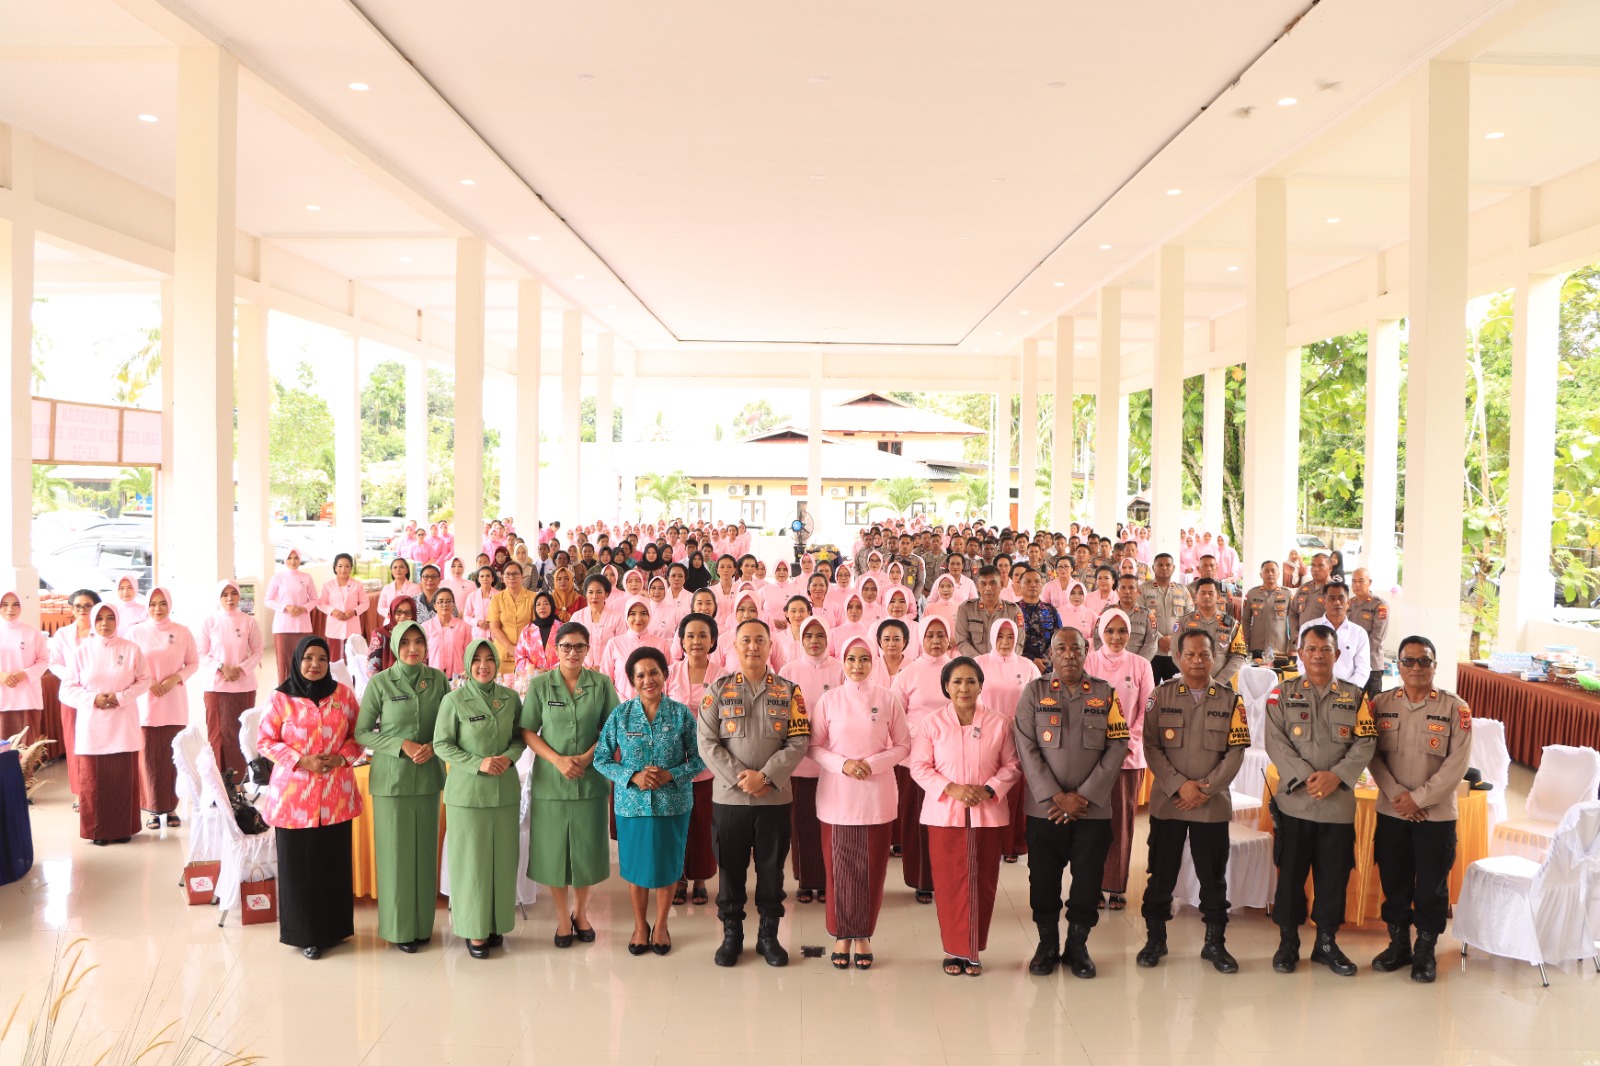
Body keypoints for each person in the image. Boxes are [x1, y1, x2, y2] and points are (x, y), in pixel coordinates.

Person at [1013, 628, 1130, 978]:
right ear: (1051, 653)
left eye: (1075, 648)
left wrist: (1085, 796)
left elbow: (1118, 746)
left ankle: (1077, 947)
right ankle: (1046, 944)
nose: (1068, 655)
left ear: (1086, 651)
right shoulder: (1034, 692)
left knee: (1088, 881)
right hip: (1044, 808)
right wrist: (1056, 796)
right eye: (1060, 648)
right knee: (1043, 880)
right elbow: (1025, 746)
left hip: (1091, 810)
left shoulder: (1105, 694)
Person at [695, 618, 811, 968]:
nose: (753, 646)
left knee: (772, 867)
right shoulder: (717, 690)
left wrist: (766, 777)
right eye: (746, 640)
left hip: (774, 798)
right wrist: (740, 778)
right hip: (730, 799)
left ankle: (768, 935)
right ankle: (732, 936)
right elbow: (706, 741)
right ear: (735, 645)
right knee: (730, 868)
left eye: (760, 640)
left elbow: (799, 739)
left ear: (770, 646)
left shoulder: (790, 691)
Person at [1265, 624, 1377, 975]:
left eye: (1325, 649)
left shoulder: (1355, 697)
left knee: (1333, 878)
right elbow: (1275, 741)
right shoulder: (1281, 694)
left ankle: (1326, 944)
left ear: (1337, 654)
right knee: (1290, 879)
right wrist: (1305, 777)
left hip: (1337, 805)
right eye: (1311, 649)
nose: (1317, 655)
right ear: (1300, 653)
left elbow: (1366, 742)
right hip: (1295, 804)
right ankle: (1288, 943)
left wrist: (1337, 777)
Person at [1136, 630, 1250, 972]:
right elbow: (1151, 745)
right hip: (1169, 803)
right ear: (1178, 658)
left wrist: (1206, 788)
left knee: (1213, 877)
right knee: (1161, 874)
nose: (1198, 661)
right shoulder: (1161, 696)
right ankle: (1156, 939)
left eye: (1204, 655)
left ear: (1214, 657)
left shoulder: (1231, 700)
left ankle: (1215, 943)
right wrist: (1178, 786)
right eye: (1190, 655)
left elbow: (1236, 750)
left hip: (1210, 805)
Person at [908, 656, 1022, 977]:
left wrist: (989, 789)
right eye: (957, 682)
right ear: (946, 686)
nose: (964, 688)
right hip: (945, 815)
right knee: (949, 884)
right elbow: (919, 767)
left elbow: (1012, 765)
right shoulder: (931, 724)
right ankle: (952, 950)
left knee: (981, 883)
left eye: (970, 681)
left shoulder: (999, 723)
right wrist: (951, 789)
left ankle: (972, 950)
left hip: (987, 814)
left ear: (981, 686)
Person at [1367, 636, 1471, 983]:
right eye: (1408, 661)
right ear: (1397, 665)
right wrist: (1399, 795)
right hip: (1392, 810)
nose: (1415, 667)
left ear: (1434, 666)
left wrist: (1419, 799)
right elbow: (1371, 753)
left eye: (1423, 661)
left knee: (1431, 885)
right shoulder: (1379, 704)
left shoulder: (1455, 709)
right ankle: (1399, 945)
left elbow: (1457, 764)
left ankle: (1425, 950)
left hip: (1435, 815)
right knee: (1394, 880)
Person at [595, 646, 706, 957]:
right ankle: (640, 925)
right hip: (632, 806)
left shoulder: (682, 714)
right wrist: (632, 776)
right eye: (640, 675)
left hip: (673, 803)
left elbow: (699, 760)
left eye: (654, 673)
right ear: (632, 680)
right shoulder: (621, 714)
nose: (648, 680)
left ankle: (660, 925)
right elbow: (601, 759)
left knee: (669, 866)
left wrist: (671, 775)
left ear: (665, 675)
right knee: (635, 868)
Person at [258, 635, 364, 959]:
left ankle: (334, 929)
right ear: (297, 661)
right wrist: (301, 760)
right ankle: (305, 933)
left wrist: (341, 757)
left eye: (321, 659)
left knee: (332, 863)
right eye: (308, 659)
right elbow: (264, 740)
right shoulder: (280, 699)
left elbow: (357, 736)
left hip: (335, 796)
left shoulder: (343, 696)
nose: (314, 665)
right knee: (300, 867)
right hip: (294, 798)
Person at [809, 635, 911, 969]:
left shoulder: (888, 698)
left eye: (864, 659)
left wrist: (873, 764)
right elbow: (814, 747)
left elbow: (903, 746)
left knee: (872, 868)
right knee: (839, 869)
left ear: (873, 662)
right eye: (851, 659)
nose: (857, 666)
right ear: (844, 662)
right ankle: (842, 934)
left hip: (876, 795)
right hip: (838, 797)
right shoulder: (829, 701)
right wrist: (843, 765)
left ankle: (864, 935)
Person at [521, 621, 619, 948]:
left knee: (586, 852)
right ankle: (563, 918)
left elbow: (612, 728)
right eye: (566, 647)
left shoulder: (602, 684)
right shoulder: (540, 685)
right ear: (556, 650)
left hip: (591, 781)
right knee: (554, 853)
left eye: (579, 647)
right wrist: (558, 760)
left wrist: (589, 756)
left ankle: (582, 913)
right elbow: (528, 731)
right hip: (551, 781)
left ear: (588, 649)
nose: (572, 653)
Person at [356, 621, 447, 952]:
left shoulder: (438, 679)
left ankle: (422, 926)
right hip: (391, 780)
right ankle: (398, 929)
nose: (413, 648)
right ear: (394, 646)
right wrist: (401, 745)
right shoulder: (380, 682)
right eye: (405, 642)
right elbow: (363, 732)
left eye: (418, 642)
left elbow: (451, 723)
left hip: (428, 777)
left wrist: (435, 746)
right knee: (396, 856)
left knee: (424, 854)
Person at [433, 638, 526, 958]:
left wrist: (509, 758)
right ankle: (474, 931)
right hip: (467, 794)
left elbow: (520, 738)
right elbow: (441, 745)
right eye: (477, 660)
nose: (483, 666)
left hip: (503, 792)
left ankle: (496, 923)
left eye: (489, 659)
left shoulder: (510, 697)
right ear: (468, 664)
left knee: (501, 860)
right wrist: (478, 763)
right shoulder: (454, 699)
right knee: (471, 864)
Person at [61, 604, 152, 844]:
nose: (104, 623)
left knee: (122, 779)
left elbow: (145, 680)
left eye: (110, 618)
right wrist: (93, 699)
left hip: (123, 724)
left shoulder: (131, 649)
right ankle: (98, 831)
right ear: (92, 621)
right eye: (99, 618)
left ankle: (123, 829)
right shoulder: (81, 652)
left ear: (117, 620)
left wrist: (120, 697)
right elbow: (66, 689)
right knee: (95, 782)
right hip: (92, 726)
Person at [1084, 608, 1155, 911]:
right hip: (1093, 758)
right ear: (1101, 632)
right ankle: (1091, 884)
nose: (1116, 637)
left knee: (1122, 822)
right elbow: (1082, 706)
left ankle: (1115, 885)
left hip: (1128, 755)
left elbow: (1147, 708)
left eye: (1122, 631)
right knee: (1092, 823)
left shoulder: (1140, 664)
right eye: (1110, 631)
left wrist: (1127, 742)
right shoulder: (1089, 662)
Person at [778, 615, 844, 905]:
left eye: (820, 635)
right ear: (801, 639)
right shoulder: (789, 670)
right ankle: (806, 880)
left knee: (832, 823)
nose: (814, 641)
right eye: (808, 636)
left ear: (828, 639)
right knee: (802, 820)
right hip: (800, 757)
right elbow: (780, 713)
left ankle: (830, 879)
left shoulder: (841, 669)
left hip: (834, 758)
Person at [890, 616, 954, 903]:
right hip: (915, 760)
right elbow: (895, 717)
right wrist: (924, 732)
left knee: (946, 822)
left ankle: (947, 877)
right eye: (930, 635)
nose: (936, 641)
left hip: (950, 758)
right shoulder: (908, 673)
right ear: (921, 639)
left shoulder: (957, 669)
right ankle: (921, 880)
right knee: (917, 821)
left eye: (941, 635)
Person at [126, 587, 197, 830]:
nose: (157, 608)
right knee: (148, 758)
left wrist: (174, 679)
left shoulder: (181, 632)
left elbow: (193, 663)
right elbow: (129, 666)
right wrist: (149, 682)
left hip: (174, 701)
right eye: (153, 604)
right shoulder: (135, 632)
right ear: (146, 606)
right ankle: (153, 809)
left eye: (162, 603)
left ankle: (172, 807)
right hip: (145, 703)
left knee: (173, 756)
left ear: (170, 604)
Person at [974, 618, 1039, 863]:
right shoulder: (979, 663)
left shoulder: (1028, 666)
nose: (1004, 642)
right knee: (989, 787)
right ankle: (989, 841)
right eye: (1000, 636)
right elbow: (968, 698)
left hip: (1019, 736)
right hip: (986, 735)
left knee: (1015, 791)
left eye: (1009, 636)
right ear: (992, 637)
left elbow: (1037, 701)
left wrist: (1020, 722)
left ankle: (1013, 844)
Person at [666, 613, 720, 906]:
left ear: (712, 640)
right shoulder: (670, 674)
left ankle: (699, 878)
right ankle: (678, 877)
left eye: (703, 635)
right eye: (690, 635)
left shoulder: (723, 675)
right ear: (682, 640)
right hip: (674, 762)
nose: (696, 641)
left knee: (703, 821)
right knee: (677, 821)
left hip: (710, 763)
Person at [196, 581, 263, 780]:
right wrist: (221, 666)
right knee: (217, 735)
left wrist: (240, 669)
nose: (230, 598)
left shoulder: (248, 621)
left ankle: (239, 780)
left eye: (233, 594)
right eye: (225, 594)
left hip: (243, 686)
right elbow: (201, 653)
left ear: (239, 596)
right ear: (218, 597)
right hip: (216, 686)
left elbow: (258, 651)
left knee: (240, 733)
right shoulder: (210, 621)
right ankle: (218, 780)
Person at [1297, 581, 1370, 687]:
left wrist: (1345, 691)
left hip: (1346, 695)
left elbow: (1362, 669)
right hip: (1313, 690)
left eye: (1341, 598)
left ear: (1348, 603)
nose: (1337, 602)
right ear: (1324, 602)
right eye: (1332, 598)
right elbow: (1301, 663)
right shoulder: (1308, 628)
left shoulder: (1359, 633)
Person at [1175, 578, 1248, 684]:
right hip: (1190, 683)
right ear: (1196, 595)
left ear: (1218, 597)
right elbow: (1175, 652)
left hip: (1222, 684)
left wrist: (1219, 681)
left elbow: (1238, 656)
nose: (1206, 596)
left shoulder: (1232, 624)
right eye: (1203, 593)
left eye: (1210, 593)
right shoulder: (1183, 622)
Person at [0, 590, 49, 744]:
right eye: (5, 604)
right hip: (2, 699)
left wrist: (25, 674)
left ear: (21, 607)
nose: (10, 609)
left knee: (26, 751)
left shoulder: (32, 633)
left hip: (27, 698)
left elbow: (44, 660)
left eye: (15, 604)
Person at [265, 549, 318, 684]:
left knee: (304, 659)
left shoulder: (306, 578)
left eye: (296, 558)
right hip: (282, 627)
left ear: (300, 560)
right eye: (289, 558)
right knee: (284, 663)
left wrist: (304, 608)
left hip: (302, 626)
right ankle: (284, 692)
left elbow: (314, 599)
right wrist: (286, 607)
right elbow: (268, 600)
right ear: (285, 560)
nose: (293, 561)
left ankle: (304, 689)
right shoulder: (278, 577)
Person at [1139, 554, 1193, 684]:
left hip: (1176, 653)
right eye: (1160, 565)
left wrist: (1174, 639)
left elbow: (1190, 620)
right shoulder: (1143, 590)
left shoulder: (1183, 591)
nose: (1164, 568)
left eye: (1168, 565)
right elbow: (1140, 617)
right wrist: (1159, 638)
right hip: (1151, 652)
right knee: (1150, 692)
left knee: (1177, 692)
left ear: (1173, 568)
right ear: (1153, 567)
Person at [954, 567, 1022, 657]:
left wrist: (1004, 660)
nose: (988, 588)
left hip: (1004, 666)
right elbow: (962, 641)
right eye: (983, 584)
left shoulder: (1013, 610)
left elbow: (1019, 642)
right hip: (975, 665)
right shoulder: (966, 608)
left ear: (1001, 584)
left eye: (993, 583)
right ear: (978, 586)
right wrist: (980, 662)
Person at [317, 553, 369, 663]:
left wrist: (354, 611)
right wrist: (333, 611)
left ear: (351, 568)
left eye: (347, 566)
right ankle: (335, 680)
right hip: (334, 627)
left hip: (352, 626)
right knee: (334, 659)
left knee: (353, 659)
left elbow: (365, 603)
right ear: (335, 567)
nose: (343, 569)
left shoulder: (357, 585)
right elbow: (321, 603)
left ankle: (352, 680)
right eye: (340, 566)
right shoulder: (328, 585)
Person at [1349, 568, 1390, 698]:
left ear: (1369, 582)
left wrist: (1358, 655)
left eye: (1361, 581)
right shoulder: (1349, 603)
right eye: (1354, 581)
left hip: (1371, 665)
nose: (1357, 585)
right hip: (1350, 664)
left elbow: (1377, 637)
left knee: (1372, 706)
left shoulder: (1379, 605)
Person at [487, 561, 536, 667]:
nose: (511, 577)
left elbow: (535, 627)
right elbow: (494, 627)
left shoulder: (533, 597)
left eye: (515, 574)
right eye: (508, 574)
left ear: (522, 576)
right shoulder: (496, 599)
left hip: (527, 653)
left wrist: (521, 648)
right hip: (503, 653)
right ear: (502, 577)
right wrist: (510, 647)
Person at [1243, 560, 1293, 663]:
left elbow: (1293, 621)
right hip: (1256, 646)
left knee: (1278, 676)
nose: (1270, 574)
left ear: (1278, 574)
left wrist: (1292, 646)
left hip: (1280, 647)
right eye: (1266, 571)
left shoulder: (1287, 594)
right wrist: (1246, 643)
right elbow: (1245, 621)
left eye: (1273, 571)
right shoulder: (1252, 594)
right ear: (1261, 574)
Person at [422, 588, 471, 678]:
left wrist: (467, 672)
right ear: (434, 606)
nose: (445, 604)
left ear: (453, 605)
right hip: (434, 678)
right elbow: (422, 657)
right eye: (440, 602)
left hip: (459, 678)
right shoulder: (426, 627)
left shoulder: (464, 627)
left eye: (448, 601)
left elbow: (469, 655)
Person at [367, 596, 417, 676]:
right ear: (392, 613)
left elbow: (424, 662)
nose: (403, 616)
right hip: (386, 684)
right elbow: (372, 669)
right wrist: (386, 686)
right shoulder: (380, 634)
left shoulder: (417, 634)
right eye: (398, 612)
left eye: (408, 613)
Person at [1287, 553, 1332, 633]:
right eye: (1313, 565)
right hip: (1302, 640)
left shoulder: (1334, 590)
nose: (1315, 569)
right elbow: (1293, 612)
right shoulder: (1303, 588)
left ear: (1330, 568)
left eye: (1320, 565)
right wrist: (1296, 635)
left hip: (1324, 640)